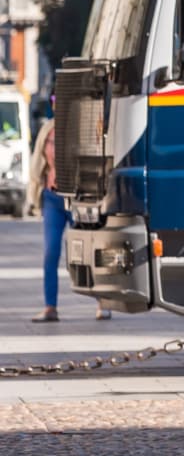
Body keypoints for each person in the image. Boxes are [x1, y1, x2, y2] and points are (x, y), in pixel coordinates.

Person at [28, 111, 108, 322]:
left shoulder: (78, 142)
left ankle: (103, 303)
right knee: (50, 252)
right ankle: (50, 307)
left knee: (88, 252)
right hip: (52, 199)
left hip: (75, 198)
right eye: (52, 142)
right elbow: (37, 169)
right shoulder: (46, 137)